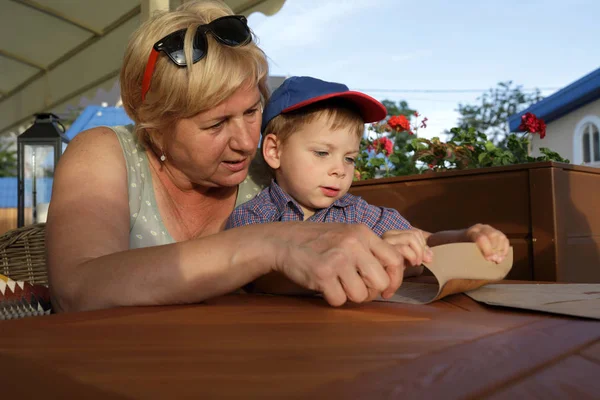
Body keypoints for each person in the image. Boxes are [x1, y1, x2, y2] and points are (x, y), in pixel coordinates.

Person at [46, 0, 423, 312]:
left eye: (252, 110)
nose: (246, 141)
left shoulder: (272, 172)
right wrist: (267, 244)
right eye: (215, 124)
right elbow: (78, 289)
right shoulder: (104, 153)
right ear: (154, 125)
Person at [226, 76, 510, 282]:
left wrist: (467, 237)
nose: (340, 169)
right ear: (274, 151)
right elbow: (265, 279)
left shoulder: (357, 213)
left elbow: (428, 241)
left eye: (349, 158)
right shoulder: (253, 218)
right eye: (323, 152)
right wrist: (376, 258)